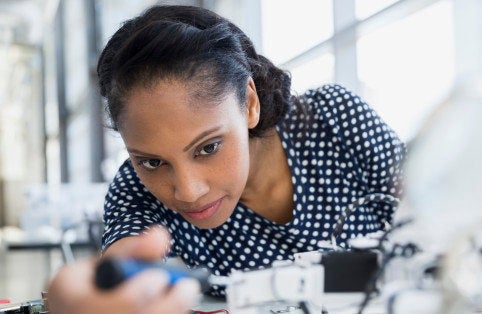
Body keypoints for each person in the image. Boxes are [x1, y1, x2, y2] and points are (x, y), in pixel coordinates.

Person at [47, 4, 405, 313]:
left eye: (208, 147)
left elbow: (438, 222)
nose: (188, 192)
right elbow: (125, 266)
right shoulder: (135, 190)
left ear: (249, 104)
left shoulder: (334, 118)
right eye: (152, 162)